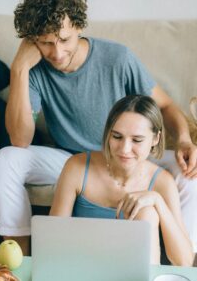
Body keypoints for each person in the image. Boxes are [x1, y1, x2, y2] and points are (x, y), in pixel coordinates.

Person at [0, 0, 196, 255]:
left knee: (190, 172)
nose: (56, 53)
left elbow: (165, 106)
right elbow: (20, 140)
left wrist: (183, 139)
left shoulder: (117, 58)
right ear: (32, 40)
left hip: (128, 154)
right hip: (74, 161)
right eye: (45, 43)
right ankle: (18, 260)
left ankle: (190, 263)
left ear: (78, 27)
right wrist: (19, 69)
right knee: (6, 158)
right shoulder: (34, 70)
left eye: (64, 40)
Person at [50, 95, 194, 266]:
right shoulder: (77, 167)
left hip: (133, 277)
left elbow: (184, 261)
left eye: (137, 140)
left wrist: (158, 202)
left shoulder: (162, 181)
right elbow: (52, 240)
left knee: (147, 211)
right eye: (117, 137)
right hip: (82, 265)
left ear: (155, 139)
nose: (125, 149)